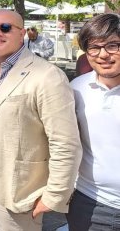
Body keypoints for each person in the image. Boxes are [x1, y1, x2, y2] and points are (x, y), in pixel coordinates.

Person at [0, 9, 81, 231]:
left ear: (22, 32)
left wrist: (54, 195)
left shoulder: (47, 75)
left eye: (5, 27)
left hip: (18, 189)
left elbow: (65, 142)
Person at [66, 13, 120, 230]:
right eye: (94, 47)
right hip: (92, 205)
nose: (103, 55)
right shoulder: (75, 89)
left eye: (113, 45)